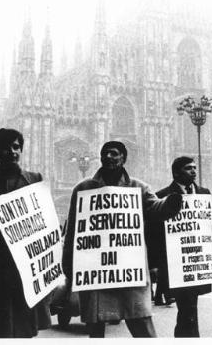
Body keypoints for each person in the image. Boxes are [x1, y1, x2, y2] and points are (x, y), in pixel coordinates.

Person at [62, 141, 183, 338]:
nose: (109, 157)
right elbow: (73, 231)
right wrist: (68, 263)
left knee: (142, 325)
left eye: (114, 153)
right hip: (96, 272)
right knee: (96, 329)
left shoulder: (139, 187)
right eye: (105, 153)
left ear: (123, 158)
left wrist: (171, 204)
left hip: (129, 270)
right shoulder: (83, 188)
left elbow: (156, 208)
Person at [148, 156, 212, 337]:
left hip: (195, 261)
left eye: (194, 168)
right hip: (175, 263)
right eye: (188, 168)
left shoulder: (203, 194)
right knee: (187, 309)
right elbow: (153, 232)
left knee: (189, 310)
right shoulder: (163, 195)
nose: (193, 171)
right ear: (176, 172)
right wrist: (155, 263)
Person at [0, 128, 52, 338]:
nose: (12, 152)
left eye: (16, 147)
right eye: (5, 147)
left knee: (24, 328)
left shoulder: (34, 179)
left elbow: (46, 226)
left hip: (26, 270)